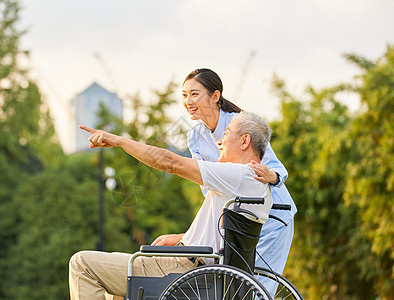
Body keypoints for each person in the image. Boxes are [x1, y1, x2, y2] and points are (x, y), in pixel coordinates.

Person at [69, 111, 273, 300]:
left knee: (82, 264)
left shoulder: (237, 174)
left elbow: (170, 162)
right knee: (113, 280)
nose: (220, 141)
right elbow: (225, 236)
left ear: (245, 141)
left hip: (185, 269)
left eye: (227, 133)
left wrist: (119, 141)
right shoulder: (258, 184)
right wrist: (182, 238)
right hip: (200, 268)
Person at [175, 68, 297, 275]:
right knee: (233, 286)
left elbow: (277, 168)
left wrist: (270, 176)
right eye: (185, 95)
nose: (188, 101)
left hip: (271, 216)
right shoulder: (195, 137)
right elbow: (209, 190)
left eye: (195, 94)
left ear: (215, 96)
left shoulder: (239, 125)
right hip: (236, 222)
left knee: (257, 286)